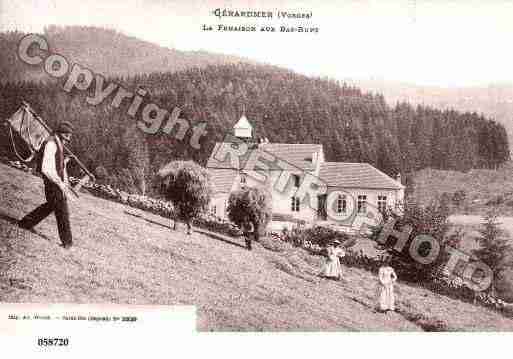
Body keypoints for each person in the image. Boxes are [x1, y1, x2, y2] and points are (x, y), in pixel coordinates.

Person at [18, 121, 74, 248]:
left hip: (56, 183)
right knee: (62, 211)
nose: (68, 140)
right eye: (67, 136)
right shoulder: (51, 144)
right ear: (61, 134)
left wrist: (64, 165)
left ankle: (25, 223)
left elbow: (58, 165)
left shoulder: (58, 144)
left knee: (50, 206)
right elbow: (46, 168)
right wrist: (59, 182)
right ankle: (67, 242)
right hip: (52, 183)